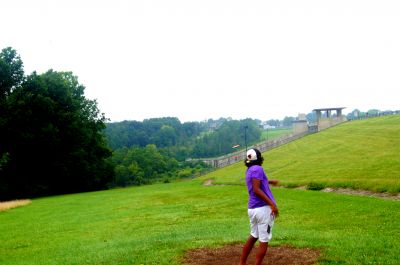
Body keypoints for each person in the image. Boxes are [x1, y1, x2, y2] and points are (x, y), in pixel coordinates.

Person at [239, 148, 279, 265]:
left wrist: (269, 181)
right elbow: (256, 189)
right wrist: (272, 204)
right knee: (264, 240)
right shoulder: (258, 169)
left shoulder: (250, 170)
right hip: (262, 209)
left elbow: (257, 183)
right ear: (260, 158)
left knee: (253, 236)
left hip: (252, 209)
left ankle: (242, 263)